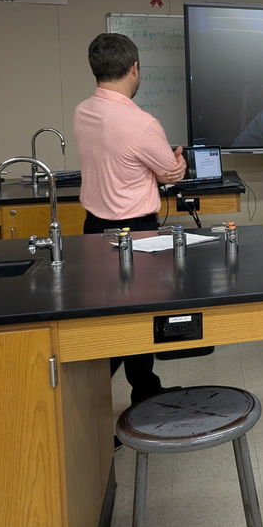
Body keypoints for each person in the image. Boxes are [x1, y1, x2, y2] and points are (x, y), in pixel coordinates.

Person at [73, 32, 186, 404]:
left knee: (111, 311)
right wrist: (177, 166)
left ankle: (143, 389)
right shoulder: (142, 123)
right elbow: (169, 172)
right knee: (136, 314)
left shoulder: (83, 111)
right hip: (134, 232)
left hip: (94, 228)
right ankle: (84, 403)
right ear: (134, 68)